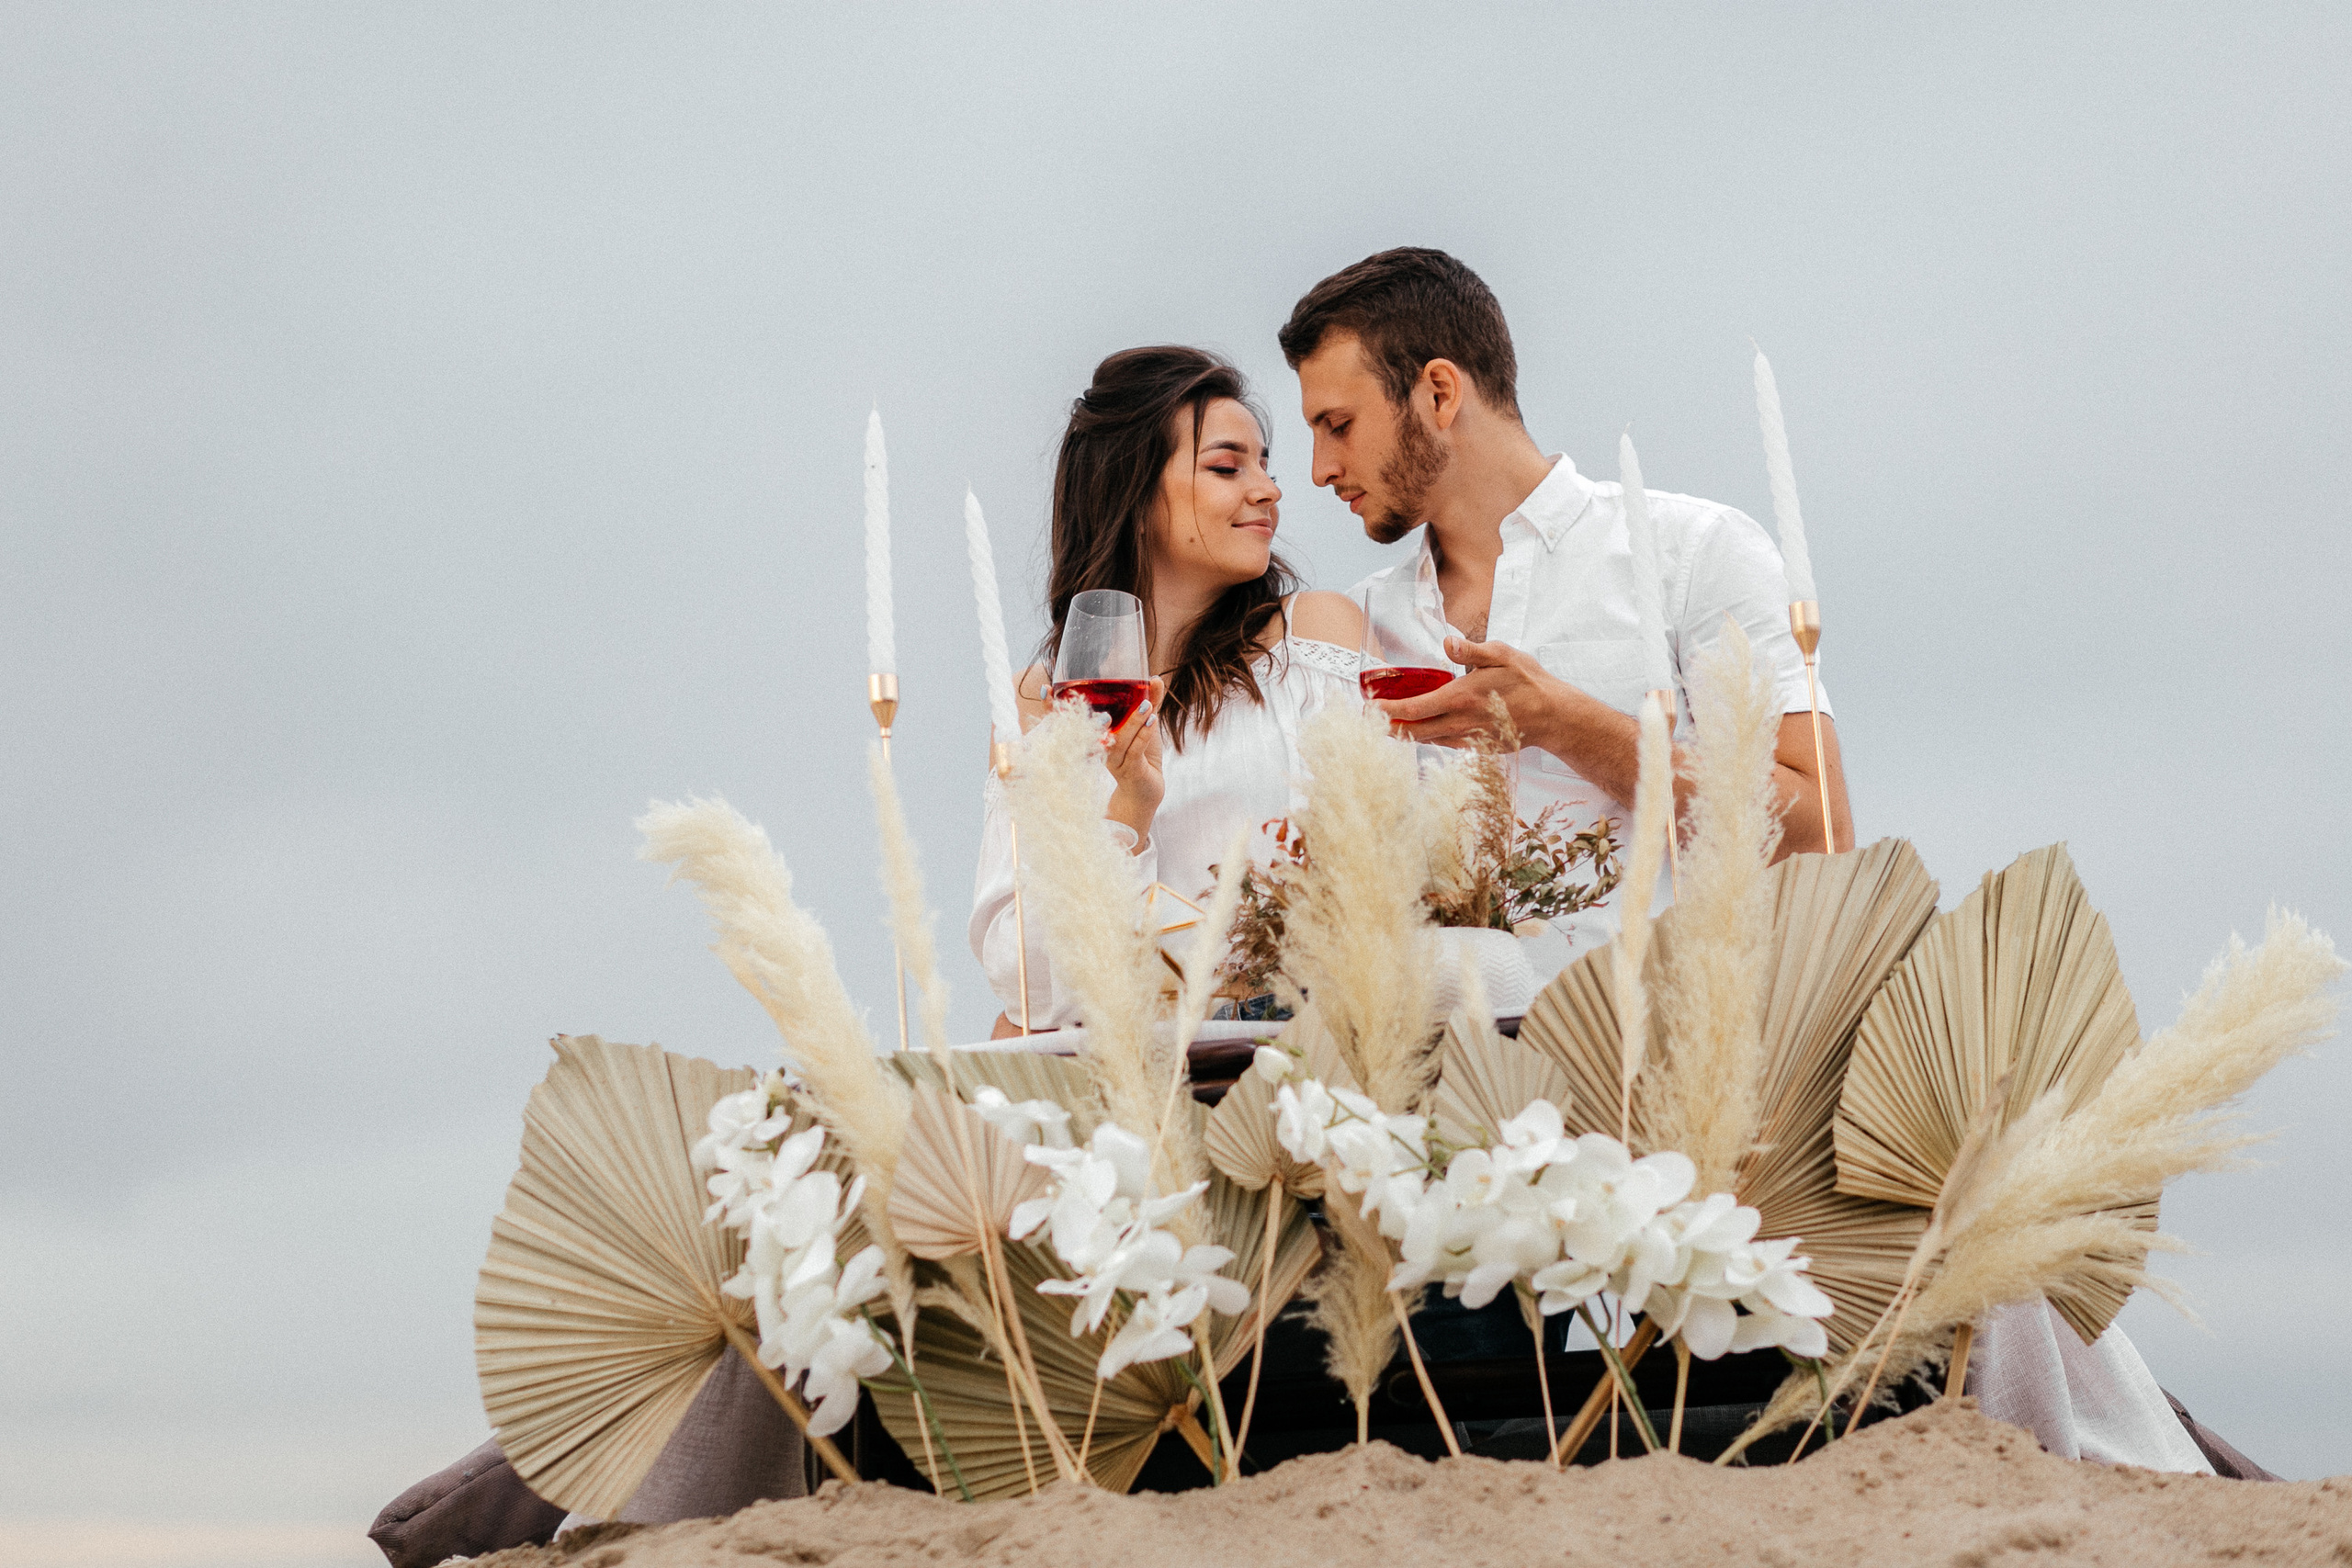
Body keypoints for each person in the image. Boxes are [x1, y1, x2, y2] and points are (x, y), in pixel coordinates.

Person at [1278, 248, 1852, 960]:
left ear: (1439, 394)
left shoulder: (1695, 552)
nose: (1320, 469)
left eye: (1338, 424)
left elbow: (1821, 833)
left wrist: (1567, 724)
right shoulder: (1358, 626)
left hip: (1660, 1025)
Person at [970, 345, 1363, 1035]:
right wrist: (1128, 814)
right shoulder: (1040, 701)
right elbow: (1026, 982)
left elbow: (1377, 874)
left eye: (1265, 465)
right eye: (1227, 467)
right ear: (1135, 494)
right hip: (1124, 1079)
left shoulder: (1312, 638)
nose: (1269, 490)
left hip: (1299, 1061)